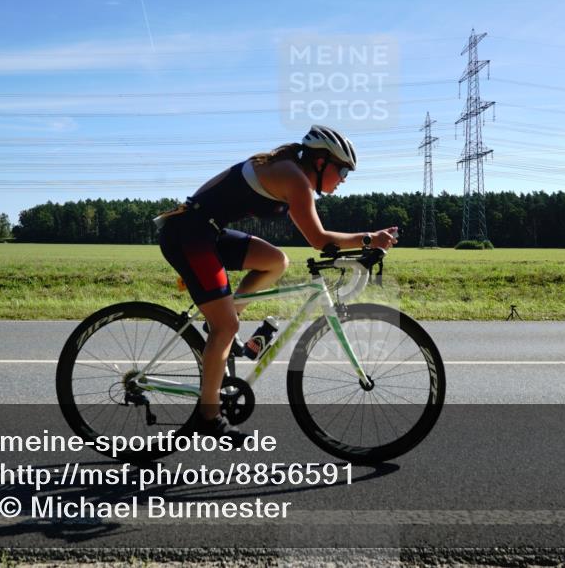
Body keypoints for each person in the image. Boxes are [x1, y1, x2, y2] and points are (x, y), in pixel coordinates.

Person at [156, 124, 398, 440]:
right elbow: (319, 239)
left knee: (276, 261)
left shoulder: (291, 170)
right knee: (225, 328)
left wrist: (363, 246)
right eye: (342, 172)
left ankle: (225, 320)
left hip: (206, 232)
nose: (343, 180)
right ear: (322, 162)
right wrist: (369, 239)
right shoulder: (294, 178)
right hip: (189, 235)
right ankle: (209, 415)